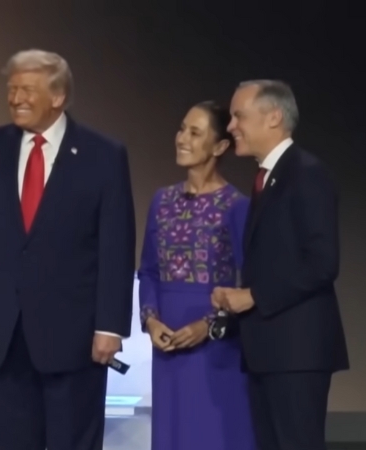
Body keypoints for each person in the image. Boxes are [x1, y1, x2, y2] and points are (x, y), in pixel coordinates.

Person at [0, 49, 136, 450]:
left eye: (27, 89)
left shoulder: (103, 154)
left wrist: (109, 327)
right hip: (5, 331)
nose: (15, 98)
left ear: (57, 97)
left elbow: (116, 244)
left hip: (75, 336)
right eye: (11, 89)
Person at [212, 80, 349, 450]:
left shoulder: (306, 173)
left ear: (273, 117)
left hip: (296, 352)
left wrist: (253, 296)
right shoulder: (268, 177)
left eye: (239, 116)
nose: (230, 126)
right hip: (270, 351)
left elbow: (322, 262)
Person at [138, 101, 254, 450]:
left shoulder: (237, 206)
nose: (182, 138)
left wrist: (208, 325)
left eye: (195, 132)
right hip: (169, 343)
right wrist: (151, 321)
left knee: (215, 437)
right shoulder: (162, 200)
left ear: (219, 147)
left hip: (216, 347)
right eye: (181, 129)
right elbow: (148, 270)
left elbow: (247, 285)